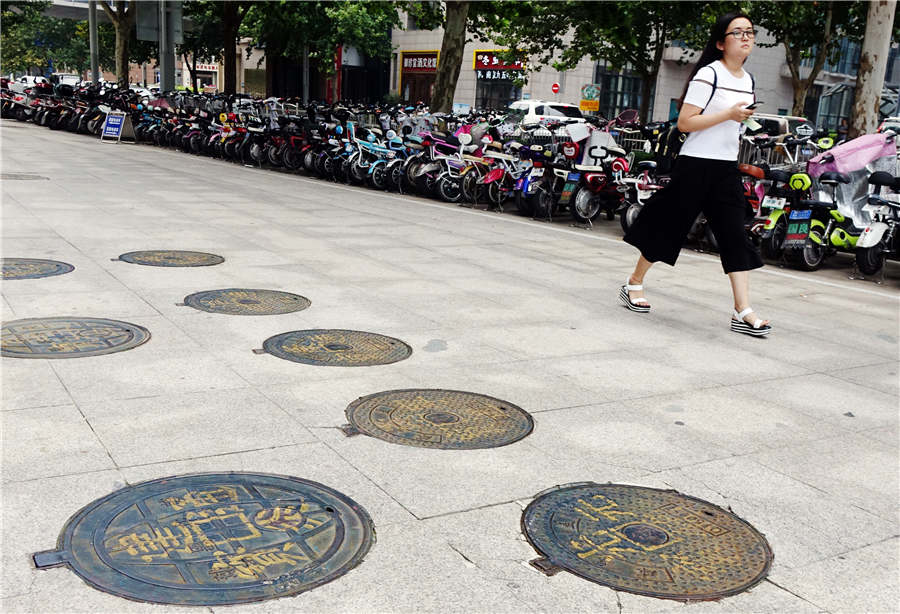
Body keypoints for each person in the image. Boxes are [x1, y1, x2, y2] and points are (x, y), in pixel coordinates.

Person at [621, 12, 771, 337]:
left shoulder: (748, 80)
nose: (746, 37)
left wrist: (745, 122)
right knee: (669, 227)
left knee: (735, 234)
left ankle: (742, 309)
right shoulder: (709, 74)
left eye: (750, 32)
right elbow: (685, 123)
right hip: (695, 164)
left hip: (725, 168)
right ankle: (634, 282)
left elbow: (733, 123)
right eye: (737, 32)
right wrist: (728, 114)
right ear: (721, 42)